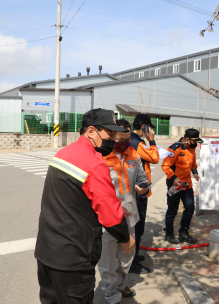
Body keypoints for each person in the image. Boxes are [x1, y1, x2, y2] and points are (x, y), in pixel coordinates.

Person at [35, 108, 135, 304]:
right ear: (91, 131)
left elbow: (73, 198)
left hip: (46, 251)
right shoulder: (95, 163)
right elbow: (110, 215)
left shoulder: (64, 153)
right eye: (110, 133)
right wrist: (125, 237)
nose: (114, 139)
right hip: (74, 257)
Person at [98, 119, 150, 304]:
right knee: (108, 259)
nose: (125, 144)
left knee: (127, 255)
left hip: (130, 215)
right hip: (108, 218)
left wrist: (144, 186)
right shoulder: (101, 158)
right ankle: (111, 293)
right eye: (121, 140)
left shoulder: (133, 154)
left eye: (128, 139)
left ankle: (121, 283)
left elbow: (143, 177)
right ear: (111, 137)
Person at [129, 114, 159, 274]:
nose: (151, 130)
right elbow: (154, 158)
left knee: (135, 227)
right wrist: (151, 140)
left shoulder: (131, 140)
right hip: (138, 192)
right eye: (149, 127)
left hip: (134, 189)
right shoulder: (138, 143)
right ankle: (132, 263)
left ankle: (133, 256)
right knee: (137, 228)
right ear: (144, 127)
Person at [162, 128, 203, 244]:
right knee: (172, 210)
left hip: (187, 184)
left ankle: (184, 233)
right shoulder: (174, 149)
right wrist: (174, 178)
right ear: (188, 139)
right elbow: (165, 166)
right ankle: (169, 233)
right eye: (195, 141)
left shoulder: (192, 149)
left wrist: (195, 173)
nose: (196, 144)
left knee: (190, 208)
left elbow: (193, 164)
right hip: (175, 184)